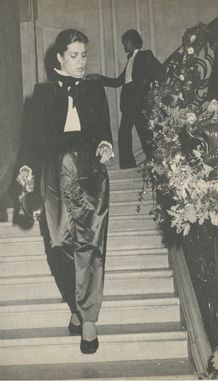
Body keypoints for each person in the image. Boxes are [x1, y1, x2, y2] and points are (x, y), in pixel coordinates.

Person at [16, 29, 114, 354]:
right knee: (58, 245)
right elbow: (30, 141)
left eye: (84, 55)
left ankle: (88, 320)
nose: (81, 62)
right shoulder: (41, 94)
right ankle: (75, 303)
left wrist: (104, 146)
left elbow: (103, 131)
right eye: (74, 55)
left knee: (91, 245)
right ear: (59, 57)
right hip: (54, 174)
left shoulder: (94, 89)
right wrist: (27, 167)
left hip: (90, 174)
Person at [90, 29, 163, 169]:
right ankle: (128, 166)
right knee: (124, 134)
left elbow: (159, 72)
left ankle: (156, 163)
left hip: (140, 102)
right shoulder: (130, 60)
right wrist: (99, 78)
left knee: (145, 134)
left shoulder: (145, 55)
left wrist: (149, 90)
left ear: (133, 41)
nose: (124, 45)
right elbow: (118, 82)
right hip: (129, 104)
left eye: (125, 42)